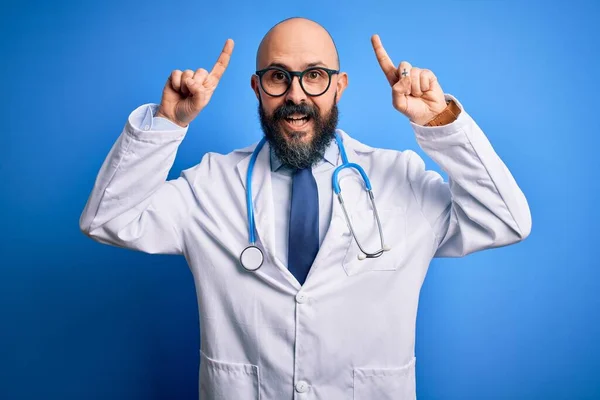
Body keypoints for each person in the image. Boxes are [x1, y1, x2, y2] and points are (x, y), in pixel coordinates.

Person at [79, 17, 531, 400]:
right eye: (278, 76)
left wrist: (439, 122)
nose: (296, 95)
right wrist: (167, 124)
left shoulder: (402, 180)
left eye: (314, 74)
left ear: (339, 86)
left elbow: (505, 220)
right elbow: (107, 219)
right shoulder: (210, 185)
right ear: (257, 88)